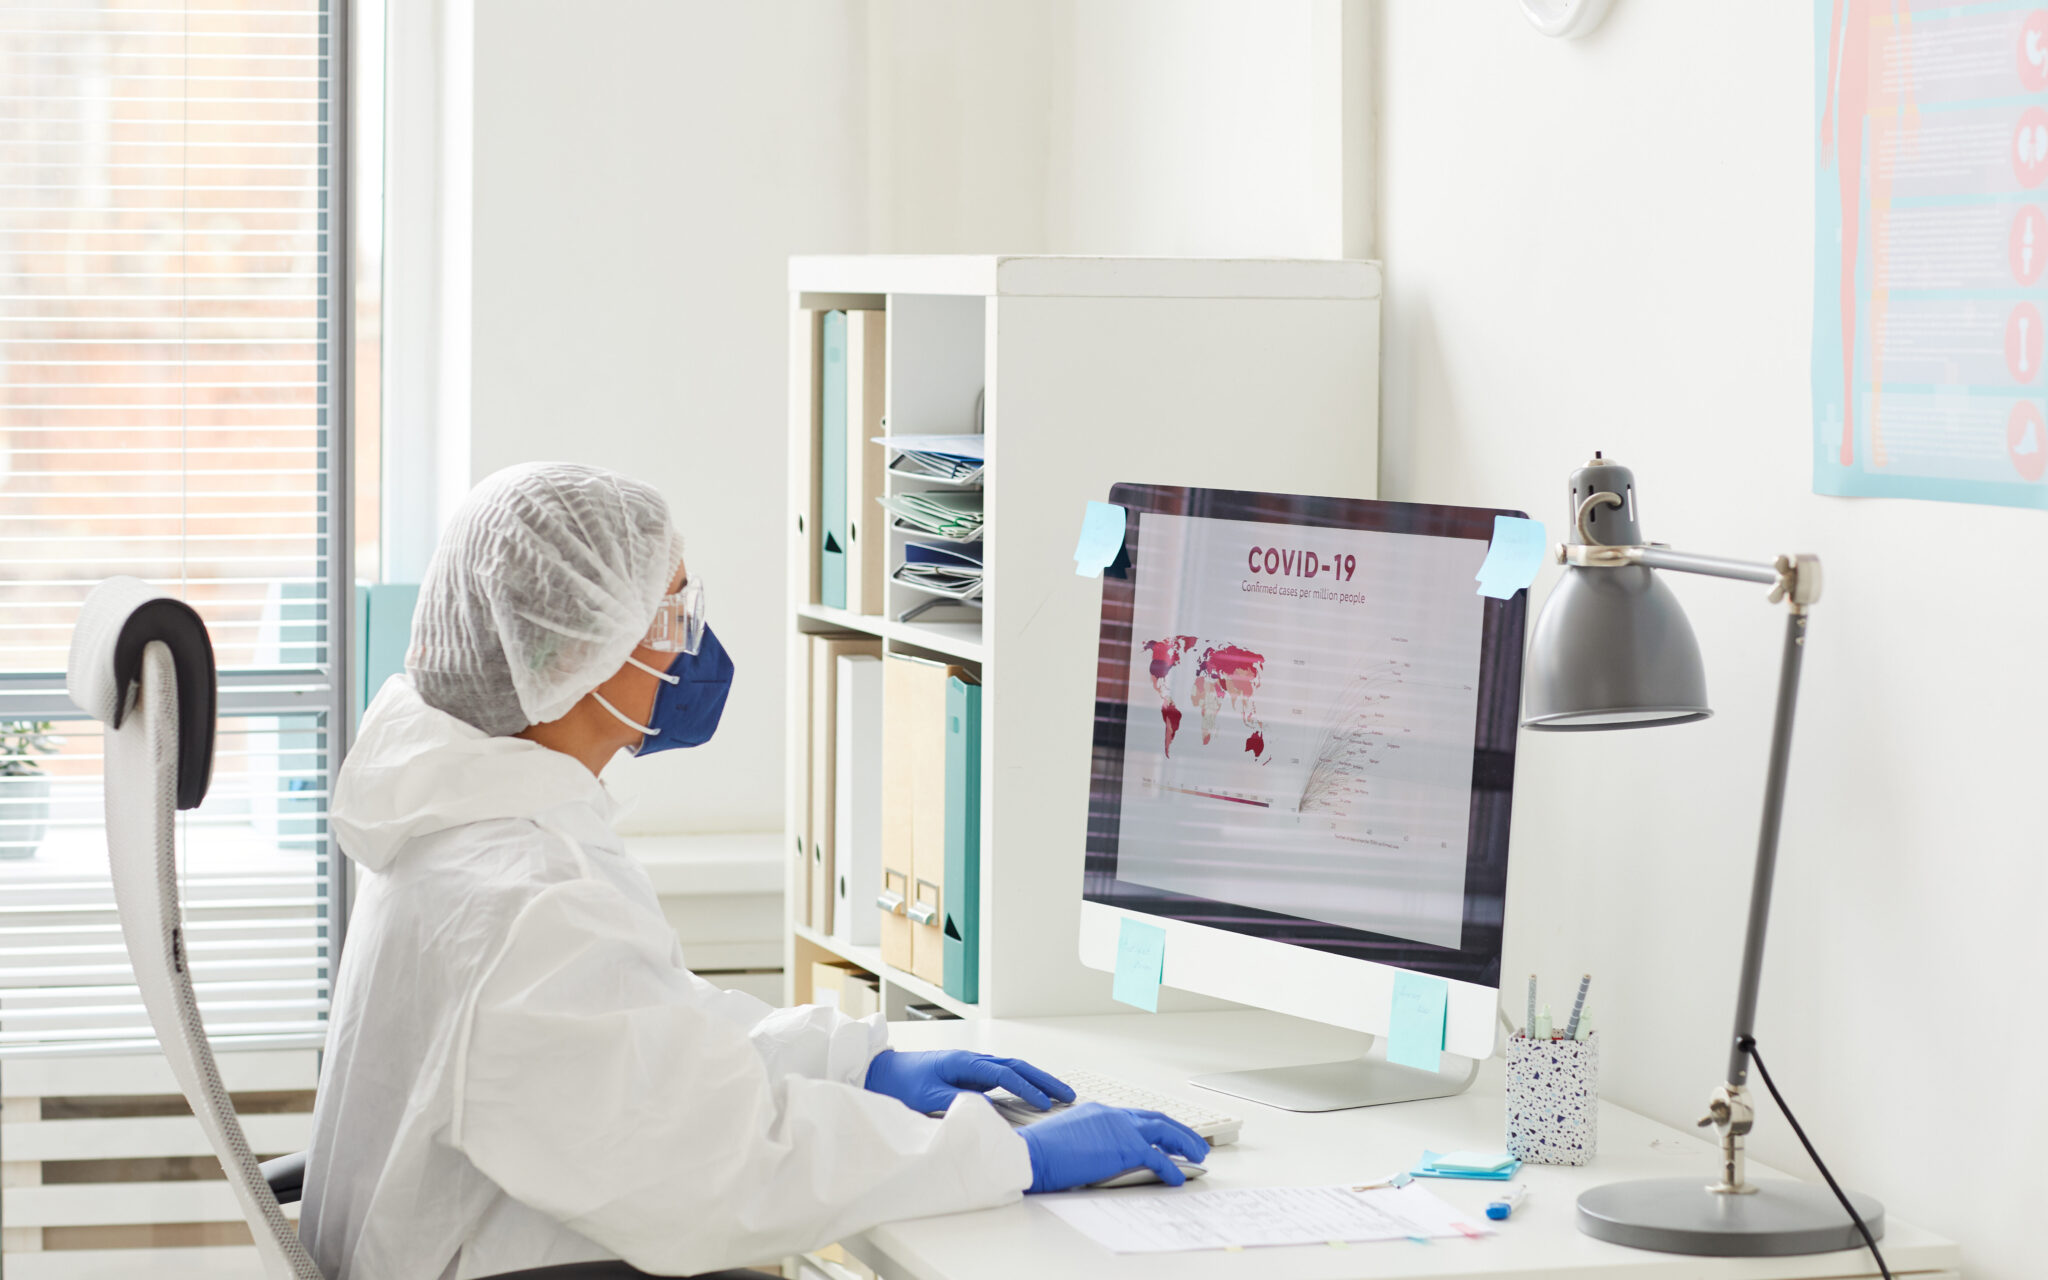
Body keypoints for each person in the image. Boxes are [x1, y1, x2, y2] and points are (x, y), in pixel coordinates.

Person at [299, 463, 1206, 1280]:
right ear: (571, 652)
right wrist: (1015, 1158)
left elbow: (649, 1039)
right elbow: (715, 1170)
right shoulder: (521, 897)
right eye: (673, 613)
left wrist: (859, 1064)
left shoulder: (480, 830)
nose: (694, 642)